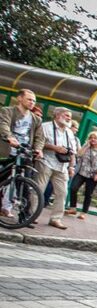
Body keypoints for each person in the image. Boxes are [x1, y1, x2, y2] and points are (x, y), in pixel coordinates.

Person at [0, 89, 44, 218]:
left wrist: (38, 149)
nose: (32, 102)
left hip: (24, 153)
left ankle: (25, 216)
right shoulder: (8, 111)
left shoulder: (36, 119)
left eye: (34, 100)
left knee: (24, 184)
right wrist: (9, 137)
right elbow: (3, 124)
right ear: (19, 98)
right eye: (29, 99)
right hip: (7, 151)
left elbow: (40, 137)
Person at [31, 107, 76, 229]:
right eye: (66, 115)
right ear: (57, 115)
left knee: (62, 192)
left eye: (70, 116)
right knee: (38, 189)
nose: (69, 118)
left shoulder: (69, 132)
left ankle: (55, 219)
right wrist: (55, 148)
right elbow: (38, 143)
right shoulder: (45, 127)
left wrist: (72, 166)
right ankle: (31, 215)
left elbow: (73, 151)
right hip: (46, 161)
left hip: (62, 166)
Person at [64, 131, 97, 219]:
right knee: (73, 188)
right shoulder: (86, 147)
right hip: (81, 172)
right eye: (91, 138)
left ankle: (83, 213)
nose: (93, 139)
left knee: (88, 193)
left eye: (95, 138)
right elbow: (78, 155)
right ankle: (73, 208)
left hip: (93, 175)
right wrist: (86, 145)